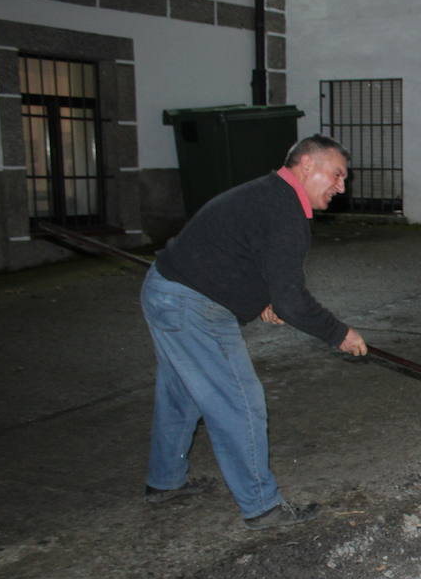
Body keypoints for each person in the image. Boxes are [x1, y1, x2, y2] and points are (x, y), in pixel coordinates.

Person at [139, 134, 367, 529]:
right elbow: (292, 299)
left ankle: (165, 481)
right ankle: (263, 507)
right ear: (307, 165)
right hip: (192, 305)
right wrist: (339, 333)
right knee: (240, 401)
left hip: (167, 290)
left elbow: (239, 253)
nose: (341, 187)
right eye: (337, 175)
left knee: (181, 395)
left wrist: (259, 300)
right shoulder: (285, 211)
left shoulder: (268, 195)